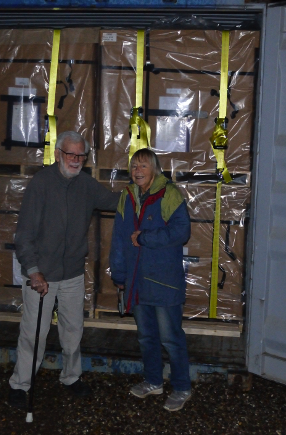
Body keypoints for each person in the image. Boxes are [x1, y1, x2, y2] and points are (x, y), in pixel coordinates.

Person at [8, 131, 120, 408]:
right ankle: (20, 385)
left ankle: (71, 377)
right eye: (71, 154)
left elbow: (115, 202)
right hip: (41, 275)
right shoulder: (41, 183)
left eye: (81, 155)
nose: (76, 160)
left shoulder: (86, 185)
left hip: (71, 273)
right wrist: (33, 271)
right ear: (58, 154)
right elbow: (23, 234)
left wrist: (147, 190)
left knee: (73, 331)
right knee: (34, 331)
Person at [109, 148, 192, 412]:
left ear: (154, 169)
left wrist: (146, 236)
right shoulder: (127, 197)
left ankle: (181, 387)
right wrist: (120, 275)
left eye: (143, 166)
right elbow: (120, 240)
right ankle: (154, 381)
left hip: (164, 281)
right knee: (146, 337)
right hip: (137, 281)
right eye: (134, 166)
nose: (137, 171)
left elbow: (182, 231)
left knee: (171, 338)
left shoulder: (169, 194)